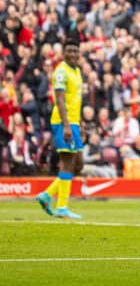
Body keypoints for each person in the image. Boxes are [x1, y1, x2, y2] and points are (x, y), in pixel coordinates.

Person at [36, 38, 85, 219]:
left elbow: (75, 100)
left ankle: (47, 195)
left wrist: (79, 125)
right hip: (63, 122)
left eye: (75, 51)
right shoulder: (60, 72)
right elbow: (60, 100)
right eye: (69, 51)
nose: (73, 54)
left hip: (74, 122)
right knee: (68, 163)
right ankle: (62, 206)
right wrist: (66, 125)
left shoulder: (77, 71)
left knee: (78, 164)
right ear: (63, 53)